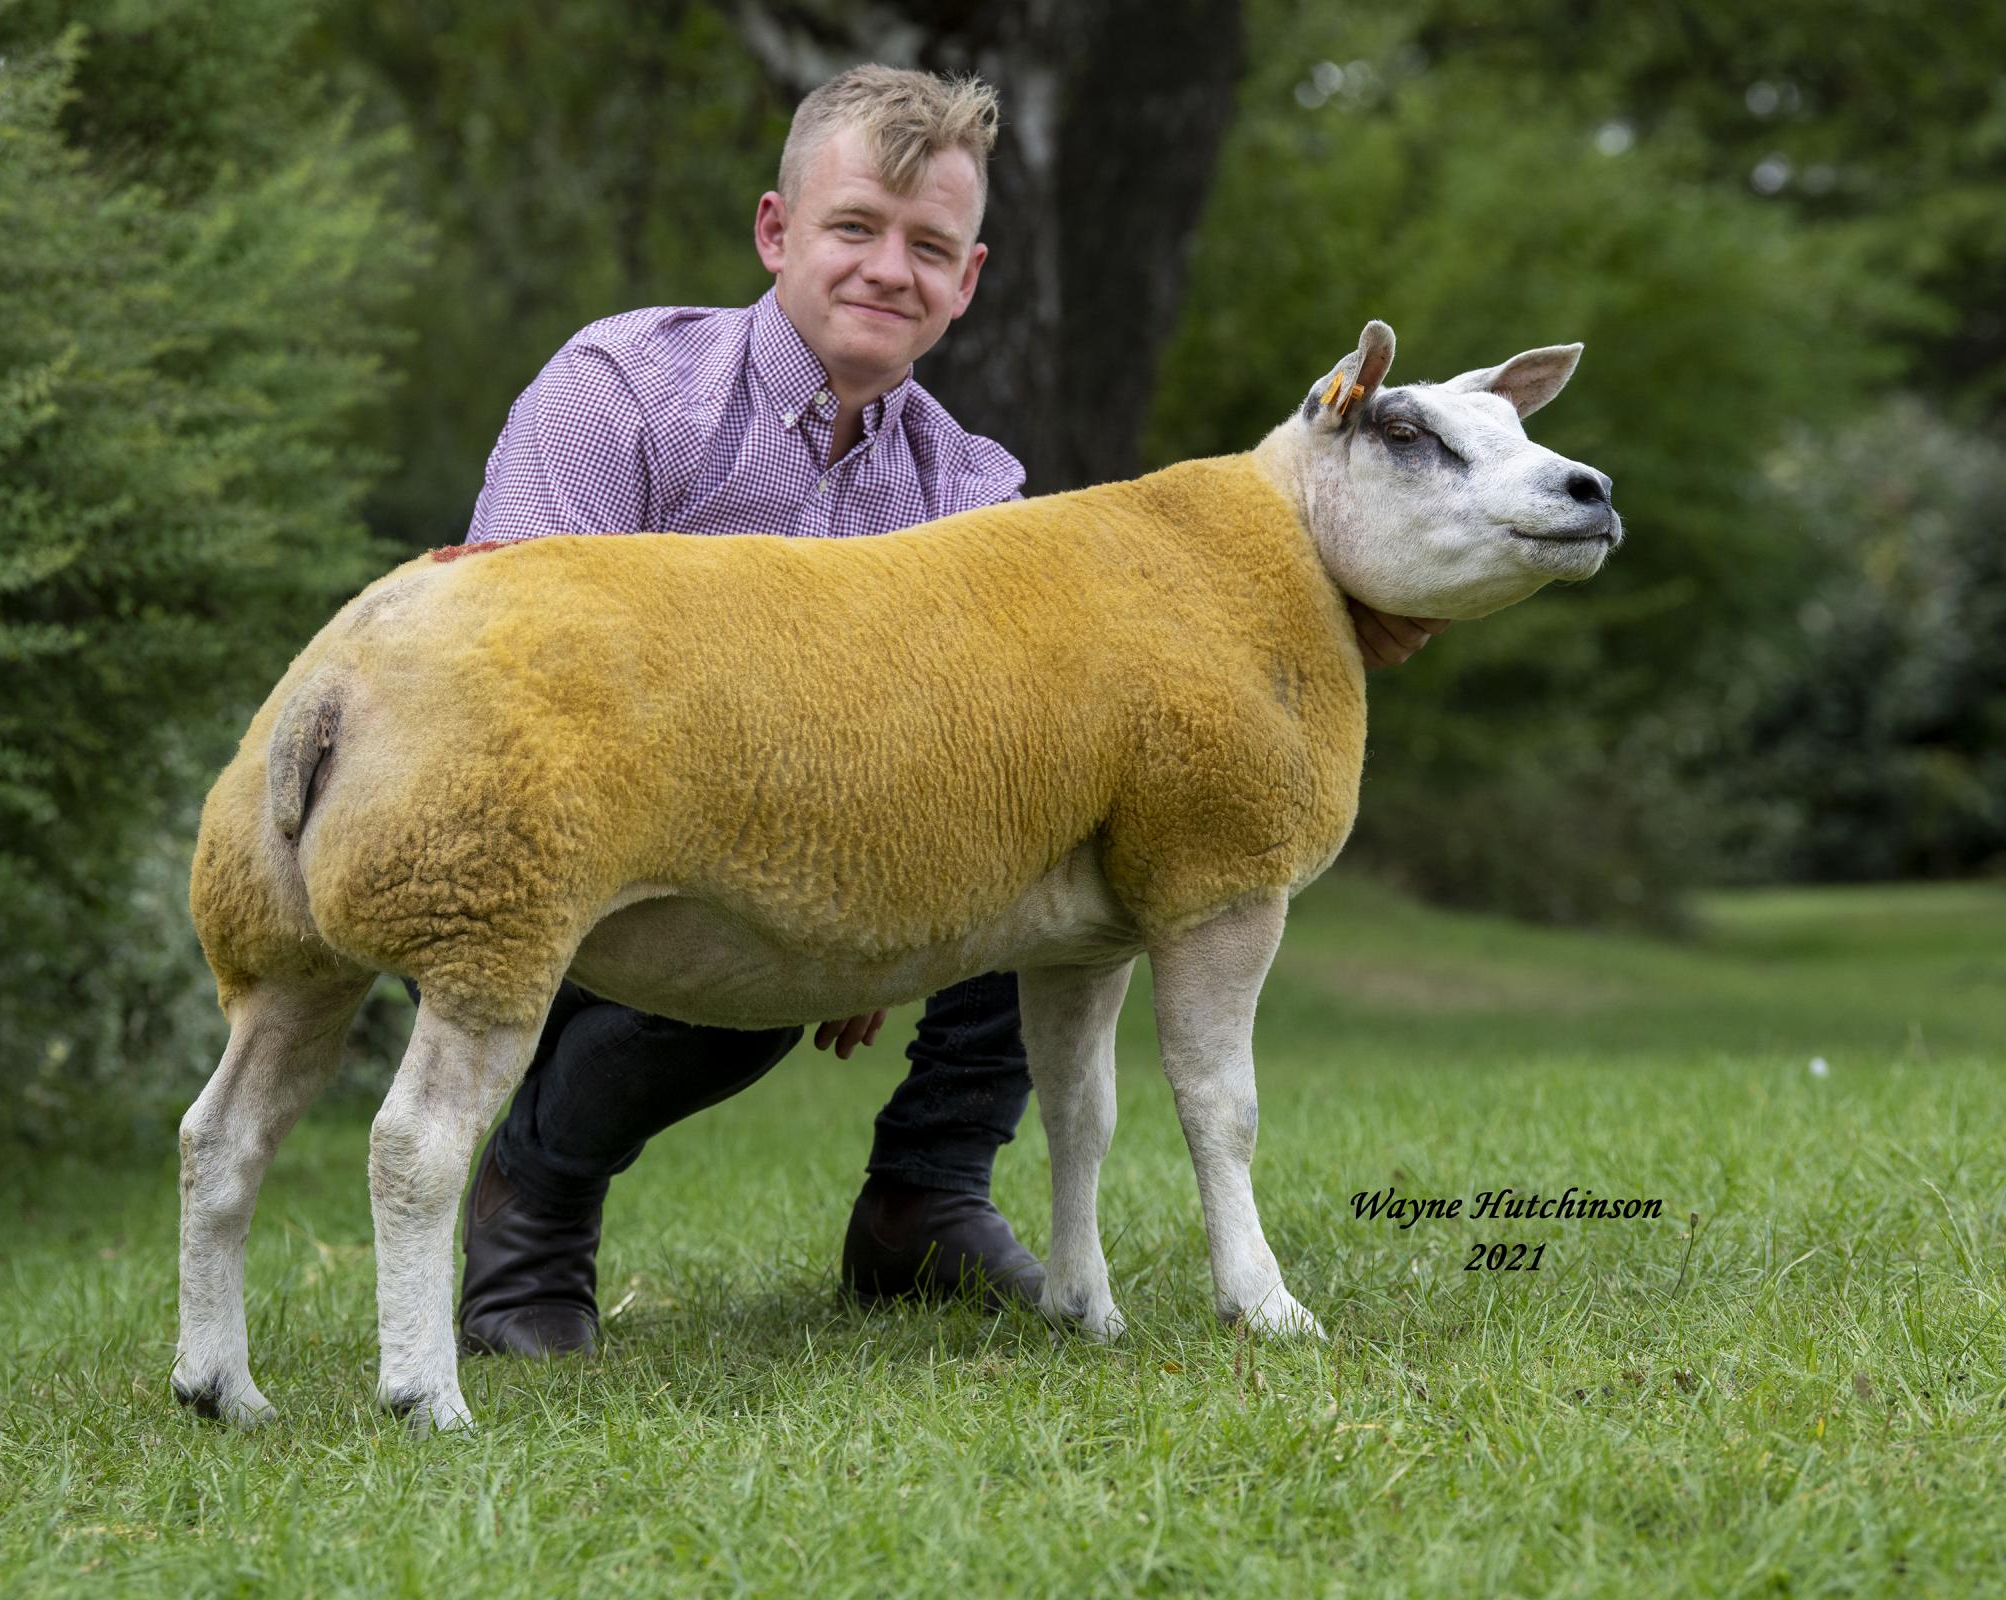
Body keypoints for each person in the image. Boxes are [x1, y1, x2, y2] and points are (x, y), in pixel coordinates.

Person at [450, 64, 1444, 1359]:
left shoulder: (978, 489)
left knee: (1062, 839)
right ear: (776, 232)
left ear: (967, 281)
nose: (887, 269)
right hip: (599, 837)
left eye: (929, 246)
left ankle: (923, 1203)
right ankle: (534, 1212)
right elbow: (502, 660)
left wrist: (888, 893)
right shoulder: (622, 390)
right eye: (855, 227)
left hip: (866, 849)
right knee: (716, 986)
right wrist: (812, 887)